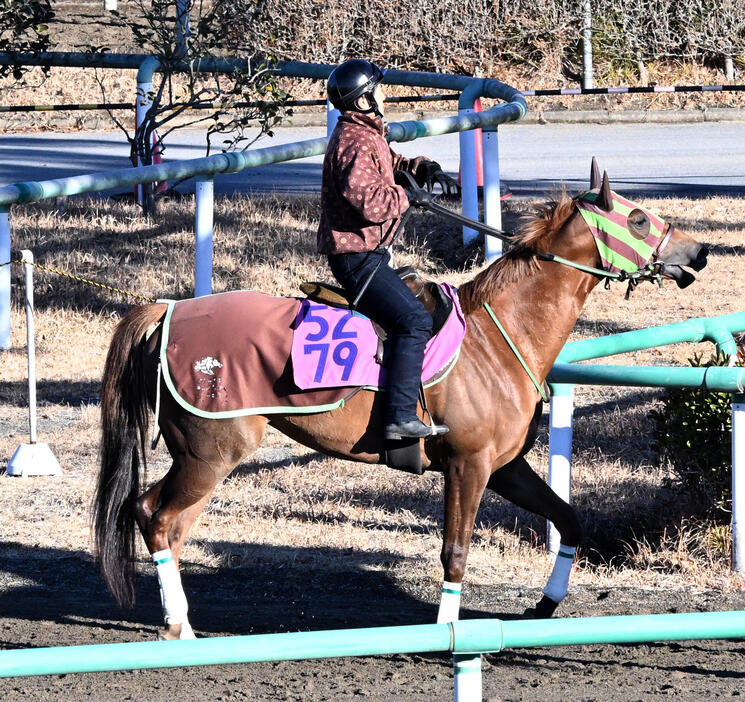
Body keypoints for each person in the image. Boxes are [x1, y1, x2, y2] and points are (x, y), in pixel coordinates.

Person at [317, 58, 458, 440]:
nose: (384, 95)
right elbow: (369, 201)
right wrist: (406, 195)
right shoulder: (354, 142)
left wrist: (421, 168)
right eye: (377, 90)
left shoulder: (366, 134)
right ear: (363, 102)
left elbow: (390, 164)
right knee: (413, 321)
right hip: (357, 259)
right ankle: (399, 417)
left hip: (370, 254)